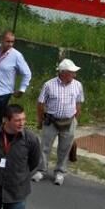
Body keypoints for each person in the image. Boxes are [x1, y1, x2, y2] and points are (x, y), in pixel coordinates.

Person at [33, 58, 84, 186]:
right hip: (51, 121)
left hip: (69, 121)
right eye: (72, 72)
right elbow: (40, 103)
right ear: (63, 72)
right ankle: (41, 170)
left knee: (65, 148)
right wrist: (40, 120)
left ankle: (60, 172)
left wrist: (76, 120)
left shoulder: (78, 85)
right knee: (45, 147)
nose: (75, 75)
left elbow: (78, 103)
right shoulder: (49, 85)